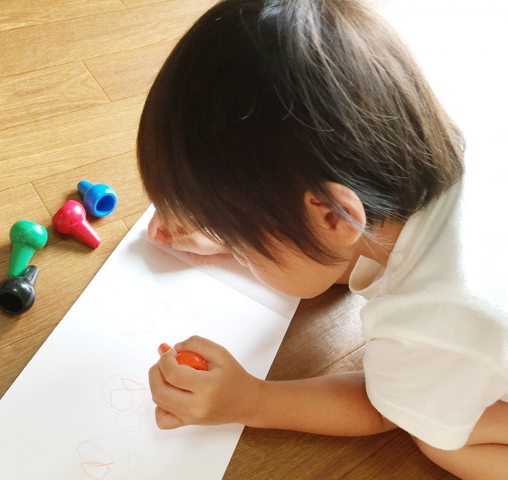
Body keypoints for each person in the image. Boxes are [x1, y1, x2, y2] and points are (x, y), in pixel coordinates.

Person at [137, 1, 508, 478]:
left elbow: (381, 407)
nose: (242, 255)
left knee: (440, 439)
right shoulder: (454, 148)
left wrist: (251, 400)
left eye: (246, 247)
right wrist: (235, 232)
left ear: (333, 216)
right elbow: (345, 250)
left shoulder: (433, 321)